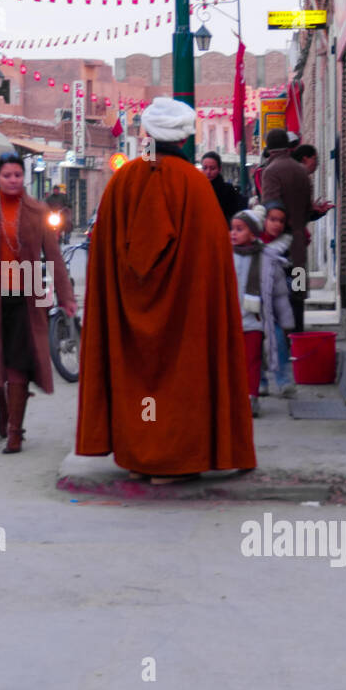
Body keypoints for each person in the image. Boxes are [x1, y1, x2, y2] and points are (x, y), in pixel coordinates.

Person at [76, 98, 256, 483]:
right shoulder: (196, 186)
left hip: (127, 313)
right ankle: (174, 459)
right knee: (180, 377)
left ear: (147, 135)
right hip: (186, 318)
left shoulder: (121, 183)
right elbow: (212, 263)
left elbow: (110, 256)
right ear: (186, 137)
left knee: (141, 383)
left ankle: (141, 454)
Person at [0, 151, 76, 454]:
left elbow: (55, 258)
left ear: (23, 178)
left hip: (27, 298)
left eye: (17, 175)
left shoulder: (37, 212)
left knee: (18, 365)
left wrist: (66, 297)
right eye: (6, 175)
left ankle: (15, 432)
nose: (12, 180)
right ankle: (3, 407)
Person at [230, 207, 295, 418]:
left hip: (255, 321)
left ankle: (252, 398)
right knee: (231, 364)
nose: (233, 233)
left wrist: (286, 322)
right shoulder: (224, 256)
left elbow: (279, 294)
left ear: (252, 233)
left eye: (239, 229)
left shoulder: (267, 260)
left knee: (253, 362)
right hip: (229, 322)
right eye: (232, 229)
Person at [260, 130, 314, 333]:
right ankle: (298, 336)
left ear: (269, 147)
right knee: (298, 291)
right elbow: (308, 209)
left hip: (279, 246)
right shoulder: (301, 170)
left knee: (279, 293)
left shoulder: (271, 171)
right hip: (299, 244)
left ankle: (284, 341)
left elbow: (271, 209)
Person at [259, 201, 296, 397]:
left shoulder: (283, 247)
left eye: (281, 221)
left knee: (280, 342)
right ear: (263, 220)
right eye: (272, 219)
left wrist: (288, 317)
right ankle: (260, 382)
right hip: (253, 309)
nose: (277, 225)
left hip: (275, 308)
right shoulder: (251, 244)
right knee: (255, 347)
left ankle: (283, 381)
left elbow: (284, 290)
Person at [199, 151, 246, 227]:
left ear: (219, 169)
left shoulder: (227, 190)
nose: (208, 172)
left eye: (212, 168)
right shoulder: (196, 188)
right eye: (205, 168)